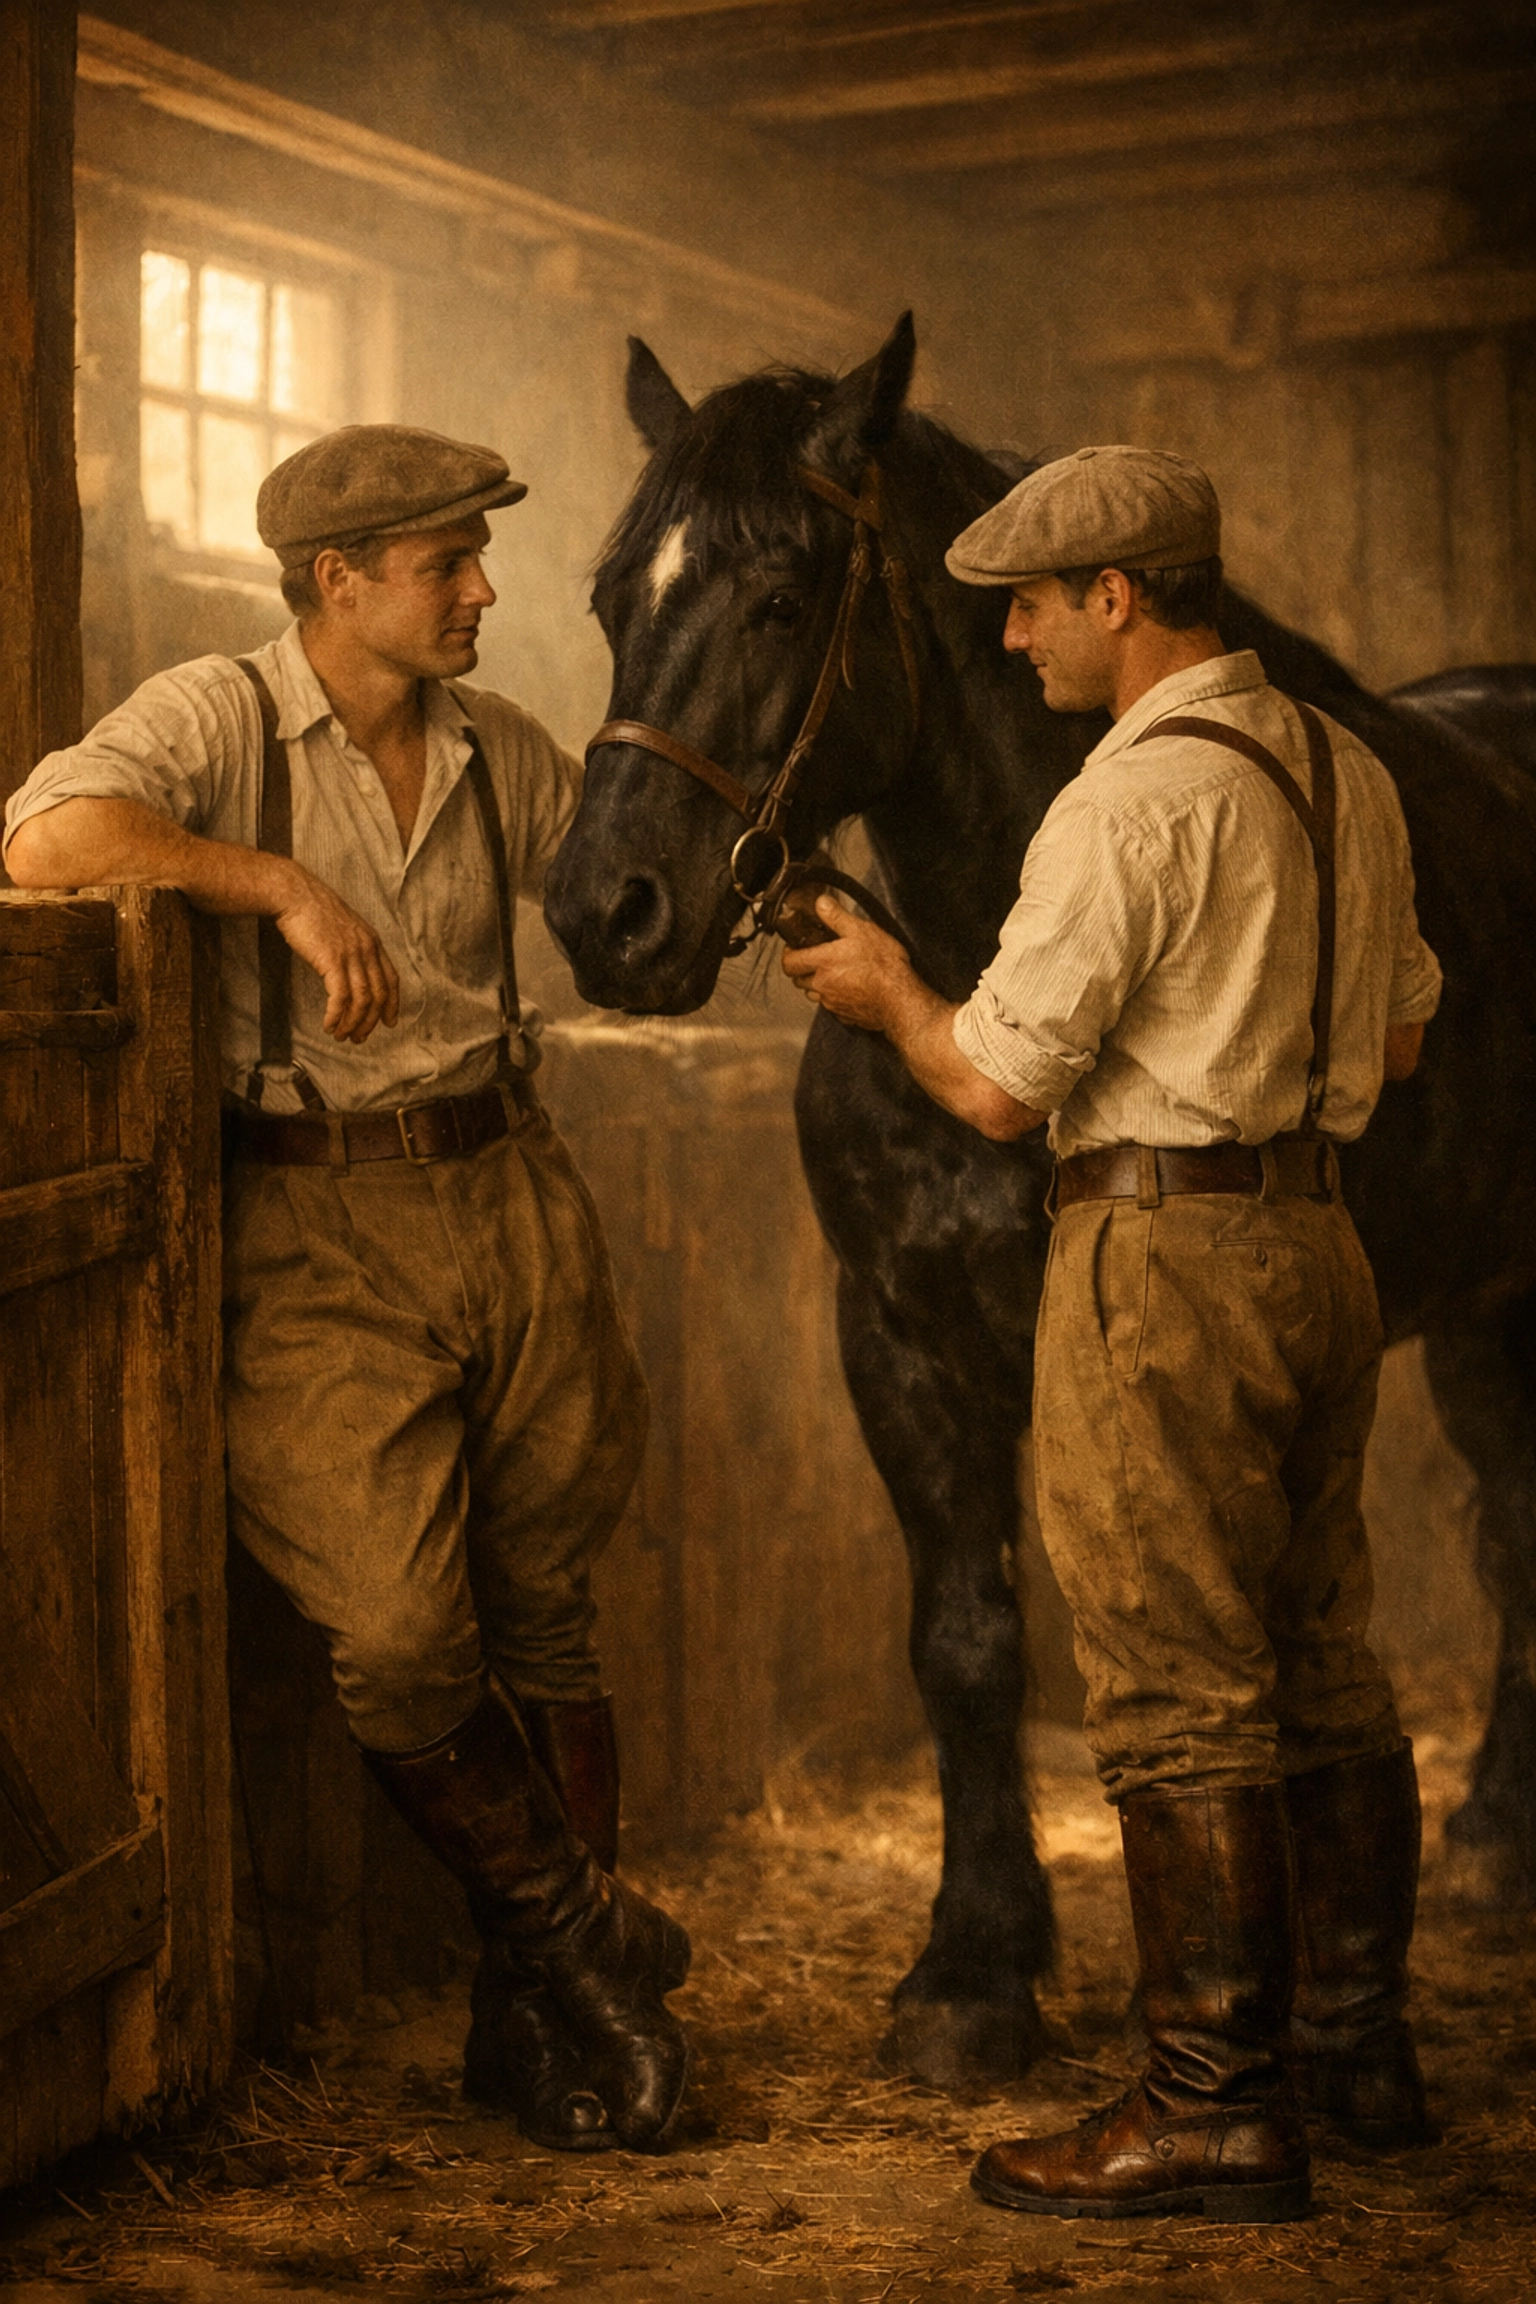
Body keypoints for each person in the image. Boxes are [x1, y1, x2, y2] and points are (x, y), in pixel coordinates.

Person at [5, 423, 689, 2155]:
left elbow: (626, 888)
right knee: (397, 1637)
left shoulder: (496, 744)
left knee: (548, 1608)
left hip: (512, 1188)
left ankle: (537, 2026)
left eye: (478, 558)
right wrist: (277, 885)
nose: (481, 588)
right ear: (341, 581)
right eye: (449, 561)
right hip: (315, 1228)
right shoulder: (222, 718)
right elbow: (44, 841)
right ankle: (585, 1948)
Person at [782, 445, 1442, 2224]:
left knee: (1173, 1689)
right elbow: (1391, 1045)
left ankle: (1214, 2107)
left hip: (1162, 1264)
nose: (1008, 641)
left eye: (1032, 605)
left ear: (1120, 597)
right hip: (1319, 1245)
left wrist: (885, 991)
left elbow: (996, 1089)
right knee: (1325, 1658)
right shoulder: (1347, 773)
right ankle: (1360, 2049)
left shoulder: (1122, 805)